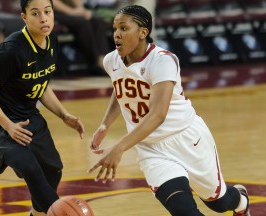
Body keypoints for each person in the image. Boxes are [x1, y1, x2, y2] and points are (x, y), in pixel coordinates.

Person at [88, 5, 250, 216]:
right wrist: (105, 123)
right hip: (150, 148)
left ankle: (241, 202)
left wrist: (118, 148)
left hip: (186, 138)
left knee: (217, 203)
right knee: (184, 212)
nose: (116, 34)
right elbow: (121, 89)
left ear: (143, 32)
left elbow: (158, 115)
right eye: (115, 28)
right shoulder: (111, 60)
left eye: (123, 28)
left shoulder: (163, 60)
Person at [0, 0, 85, 216]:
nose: (43, 18)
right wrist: (8, 126)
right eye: (35, 13)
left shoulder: (51, 40)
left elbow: (40, 83)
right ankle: (59, 212)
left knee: (53, 170)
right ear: (24, 17)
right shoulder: (11, 50)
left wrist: (64, 114)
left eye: (47, 12)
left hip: (27, 115)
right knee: (30, 167)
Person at [53, 0, 111, 75]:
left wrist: (82, 10)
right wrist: (72, 12)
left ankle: (104, 58)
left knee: (98, 22)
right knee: (83, 23)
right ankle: (97, 60)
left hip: (72, 10)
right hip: (53, 12)